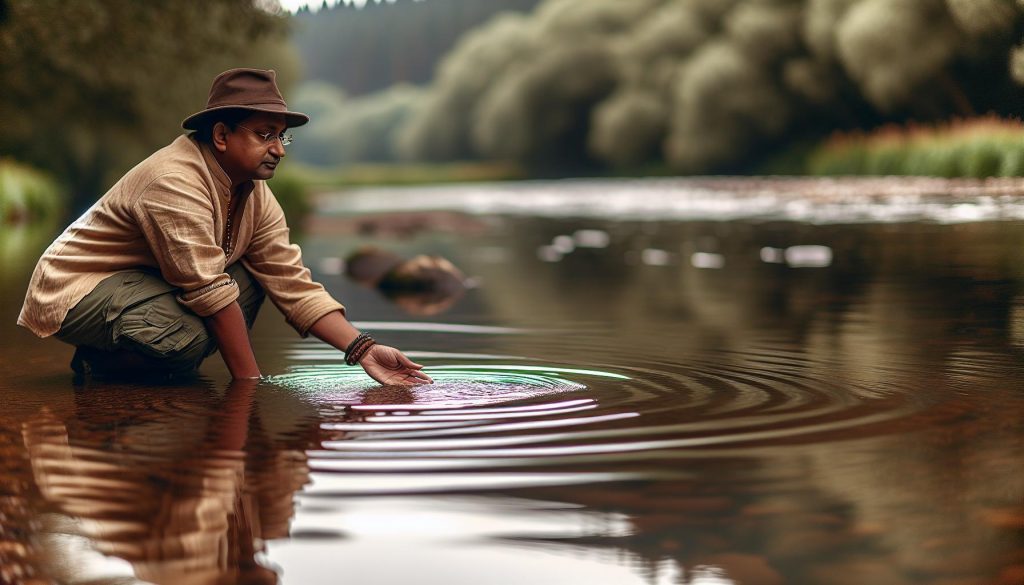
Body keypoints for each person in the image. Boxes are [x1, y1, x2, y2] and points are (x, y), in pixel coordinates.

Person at [17, 68, 432, 385]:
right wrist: (251, 387)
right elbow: (208, 292)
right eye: (264, 134)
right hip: (76, 287)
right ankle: (101, 364)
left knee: (248, 283)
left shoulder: (255, 193)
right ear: (220, 135)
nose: (278, 150)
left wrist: (364, 349)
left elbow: (290, 281)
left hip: (140, 282)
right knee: (186, 336)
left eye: (282, 138)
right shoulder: (172, 181)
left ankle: (135, 366)